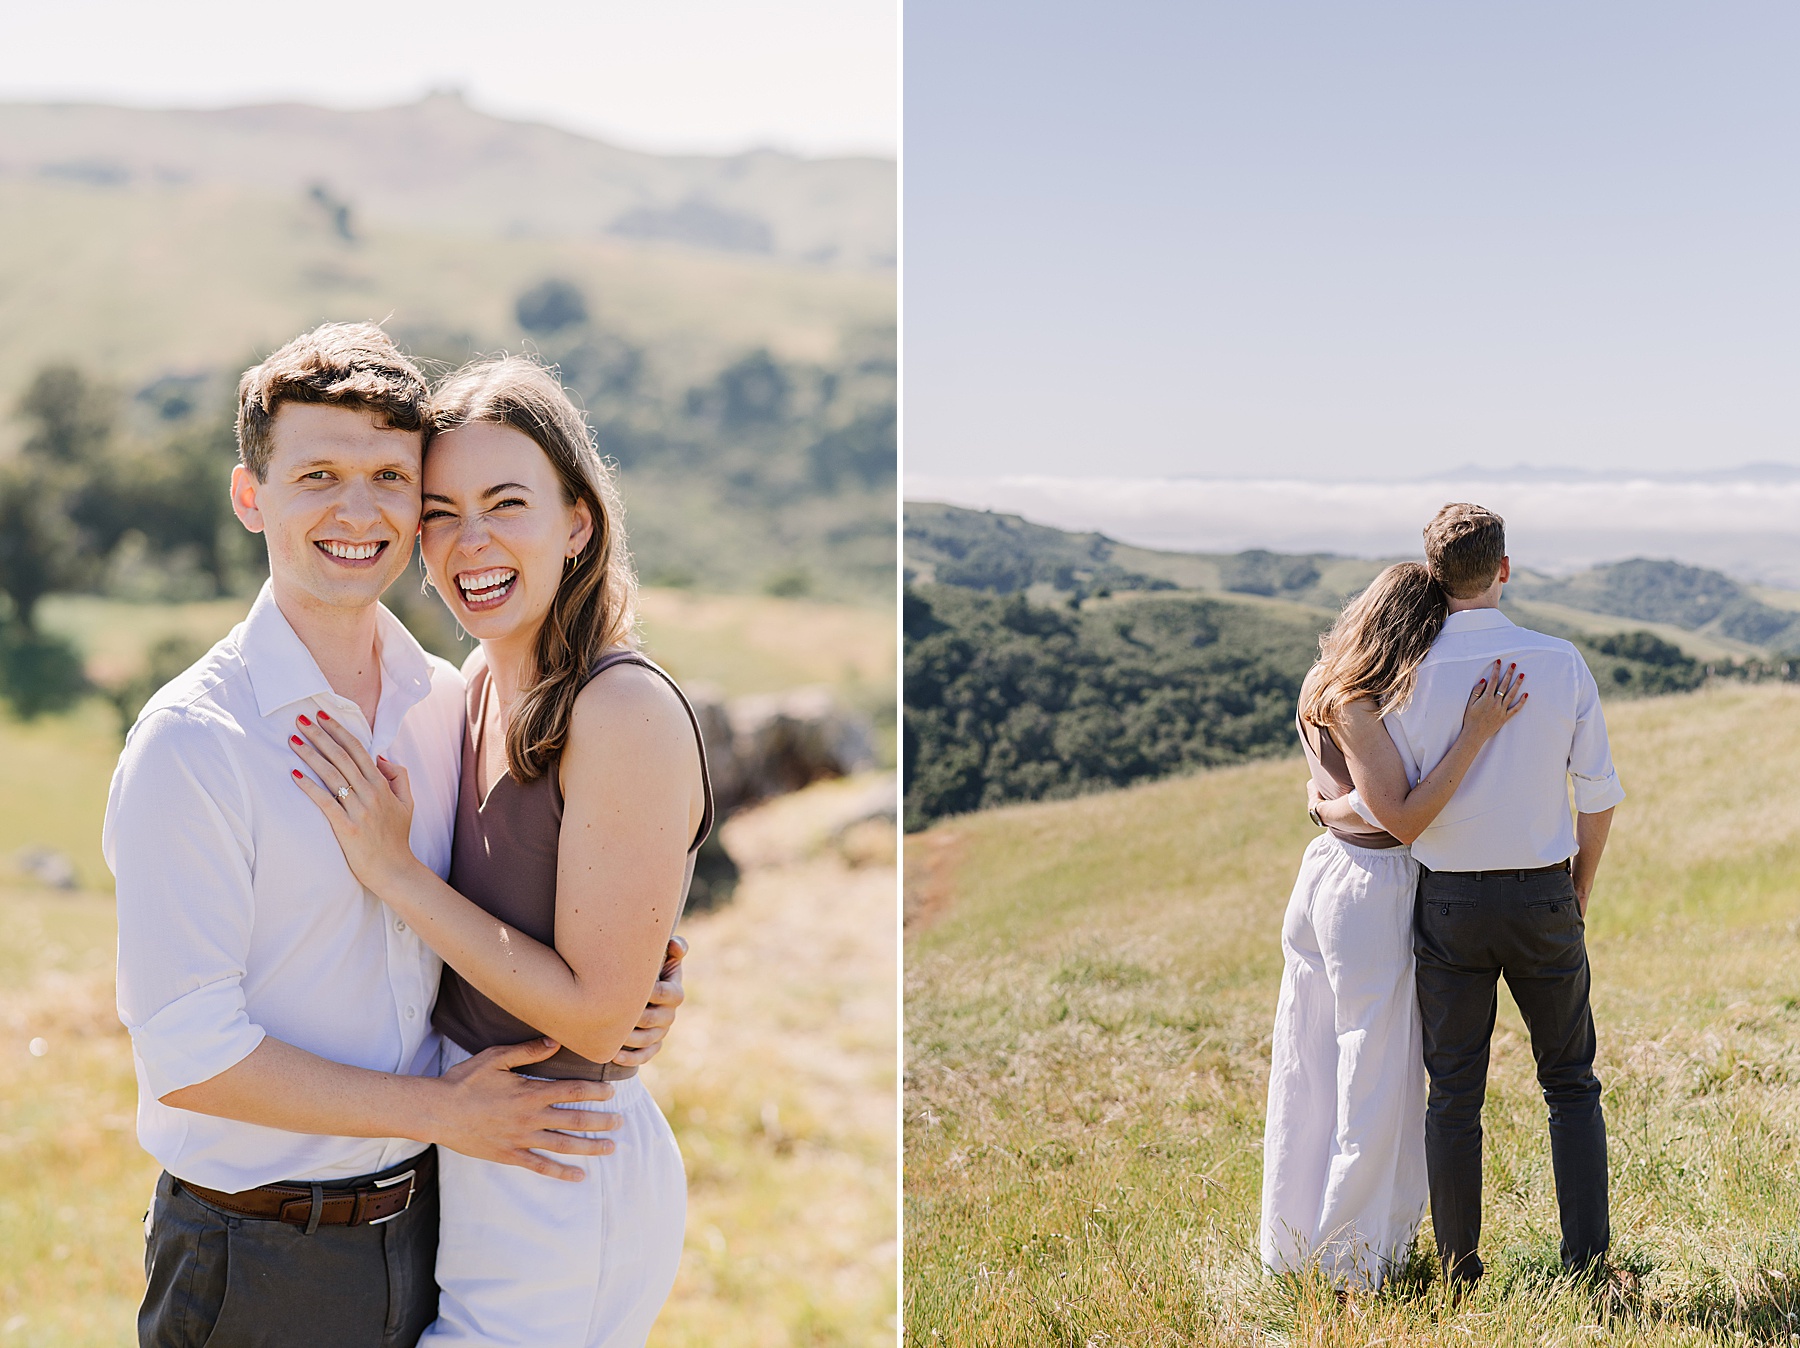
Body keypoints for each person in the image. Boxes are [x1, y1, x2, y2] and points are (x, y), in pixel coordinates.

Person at [106, 323, 686, 1348]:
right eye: (318, 474)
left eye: (390, 478)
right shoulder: (197, 742)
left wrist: (639, 984)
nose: (358, 510)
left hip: (437, 1217)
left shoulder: (439, 699)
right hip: (259, 1252)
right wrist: (442, 1110)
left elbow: (539, 899)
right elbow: (189, 1056)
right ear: (253, 497)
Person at [287, 356, 709, 1346]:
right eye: (440, 510)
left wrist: (394, 875)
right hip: (481, 1152)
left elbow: (600, 1018)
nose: (468, 540)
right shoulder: (472, 683)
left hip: (565, 1172)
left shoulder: (622, 707)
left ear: (577, 521)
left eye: (505, 502)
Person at [1315, 503, 1625, 1288]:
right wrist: (1579, 884)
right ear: (1505, 569)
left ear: (1433, 573)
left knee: (1453, 1094)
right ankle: (1587, 1265)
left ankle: (1460, 1271)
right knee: (1570, 1082)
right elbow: (1597, 794)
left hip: (1447, 902)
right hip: (1544, 897)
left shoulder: (1401, 677)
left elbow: (1393, 800)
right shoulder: (1560, 662)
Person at [1262, 561, 1527, 1289]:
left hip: (1325, 873)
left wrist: (1327, 809)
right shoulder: (1357, 700)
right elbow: (1402, 814)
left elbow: (1346, 798)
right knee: (1372, 1081)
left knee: (1308, 1067)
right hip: (1370, 888)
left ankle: (1292, 1246)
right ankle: (1349, 1268)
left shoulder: (1324, 680)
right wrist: (1476, 732)